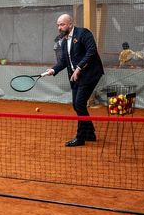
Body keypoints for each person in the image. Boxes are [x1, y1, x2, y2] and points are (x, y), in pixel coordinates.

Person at [41, 14, 104, 147]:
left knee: (79, 103)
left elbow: (91, 51)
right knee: (76, 105)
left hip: (90, 74)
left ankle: (80, 137)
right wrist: (52, 70)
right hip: (75, 76)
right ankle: (90, 133)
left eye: (62, 24)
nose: (59, 27)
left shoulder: (83, 33)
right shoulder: (64, 41)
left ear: (70, 24)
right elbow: (64, 61)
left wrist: (79, 68)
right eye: (58, 25)